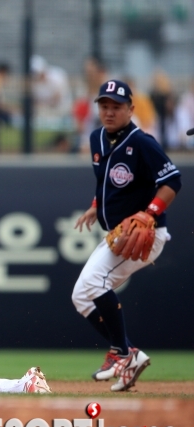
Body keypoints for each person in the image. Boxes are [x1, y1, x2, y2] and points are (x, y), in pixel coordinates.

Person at [72, 80, 181, 392]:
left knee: (93, 282)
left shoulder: (142, 143)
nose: (109, 111)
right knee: (80, 296)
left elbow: (172, 180)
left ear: (131, 110)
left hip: (145, 234)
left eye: (116, 106)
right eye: (104, 105)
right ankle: (129, 354)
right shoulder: (97, 139)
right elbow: (106, 182)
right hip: (117, 235)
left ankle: (122, 352)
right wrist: (96, 205)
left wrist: (150, 212)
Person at [30, 55, 73, 131]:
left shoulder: (57, 76)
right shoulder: (34, 83)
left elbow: (58, 97)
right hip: (44, 111)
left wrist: (45, 103)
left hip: (61, 109)